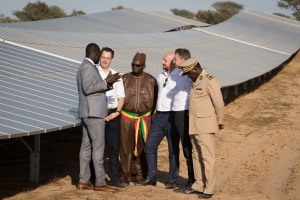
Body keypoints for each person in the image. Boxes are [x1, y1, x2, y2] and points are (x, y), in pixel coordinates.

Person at [177, 57, 225, 199]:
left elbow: (219, 103)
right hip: (194, 125)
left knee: (207, 157)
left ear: (195, 69)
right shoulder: (196, 80)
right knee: (196, 155)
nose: (188, 77)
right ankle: (198, 184)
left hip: (205, 125)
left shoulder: (210, 80)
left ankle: (209, 188)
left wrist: (220, 121)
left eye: (189, 74)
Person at [76, 43, 121, 192]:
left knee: (86, 147)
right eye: (100, 55)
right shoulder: (88, 67)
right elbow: (88, 88)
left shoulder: (83, 66)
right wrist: (106, 82)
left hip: (87, 112)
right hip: (94, 114)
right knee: (98, 148)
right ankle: (100, 182)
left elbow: (91, 88)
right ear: (95, 53)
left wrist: (108, 83)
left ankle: (84, 180)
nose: (101, 58)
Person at [135, 52, 180, 189]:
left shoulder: (180, 76)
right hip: (159, 116)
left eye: (165, 60)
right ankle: (151, 177)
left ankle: (172, 180)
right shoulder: (160, 76)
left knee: (173, 150)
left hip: (173, 116)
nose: (162, 62)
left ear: (173, 62)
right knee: (150, 144)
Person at [119, 52, 158, 187]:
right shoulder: (124, 79)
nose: (135, 67)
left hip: (144, 120)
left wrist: (147, 116)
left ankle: (142, 176)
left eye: (138, 65)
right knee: (125, 148)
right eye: (133, 64)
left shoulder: (152, 81)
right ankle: (125, 177)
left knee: (143, 148)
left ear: (144, 66)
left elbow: (155, 101)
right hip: (126, 118)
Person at [96, 47, 126, 188]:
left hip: (113, 114)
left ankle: (115, 177)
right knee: (98, 148)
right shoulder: (94, 73)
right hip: (98, 114)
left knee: (113, 148)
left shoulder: (117, 75)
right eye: (103, 57)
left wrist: (117, 112)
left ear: (112, 59)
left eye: (108, 58)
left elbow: (121, 97)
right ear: (100, 57)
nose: (105, 60)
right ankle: (96, 177)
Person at [172, 48, 195, 192]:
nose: (174, 61)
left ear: (182, 60)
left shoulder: (188, 76)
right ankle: (190, 179)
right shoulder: (180, 74)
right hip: (178, 112)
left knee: (187, 146)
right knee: (185, 146)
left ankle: (193, 180)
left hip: (184, 112)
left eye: (175, 59)